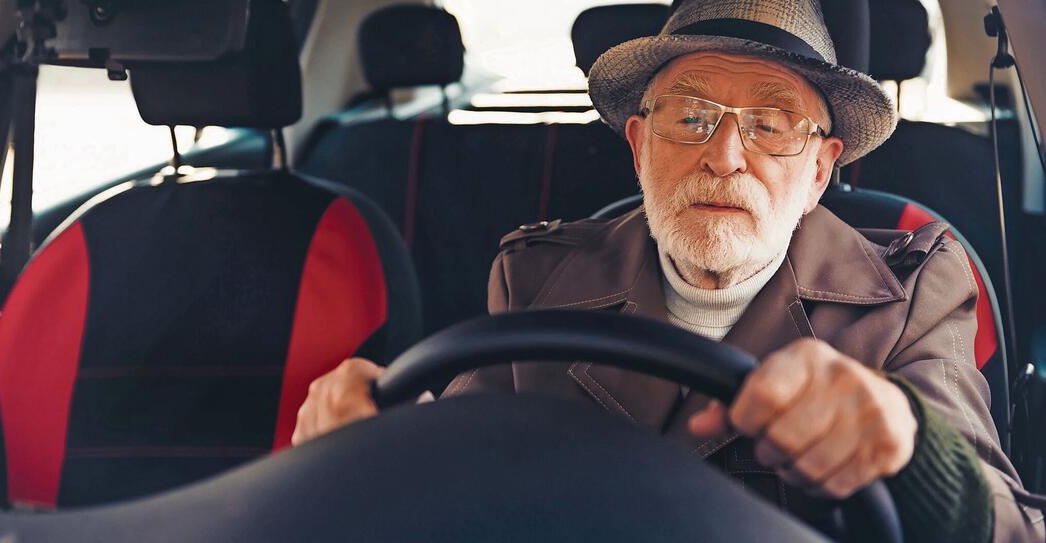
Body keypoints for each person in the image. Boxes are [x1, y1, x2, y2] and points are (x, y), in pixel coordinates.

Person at [291, 0, 1044, 540]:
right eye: (691, 117)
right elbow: (462, 464)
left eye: (771, 123)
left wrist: (911, 446)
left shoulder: (916, 292)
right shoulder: (535, 279)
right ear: (639, 144)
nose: (723, 154)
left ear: (820, 170)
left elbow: (1011, 528)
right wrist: (376, 438)